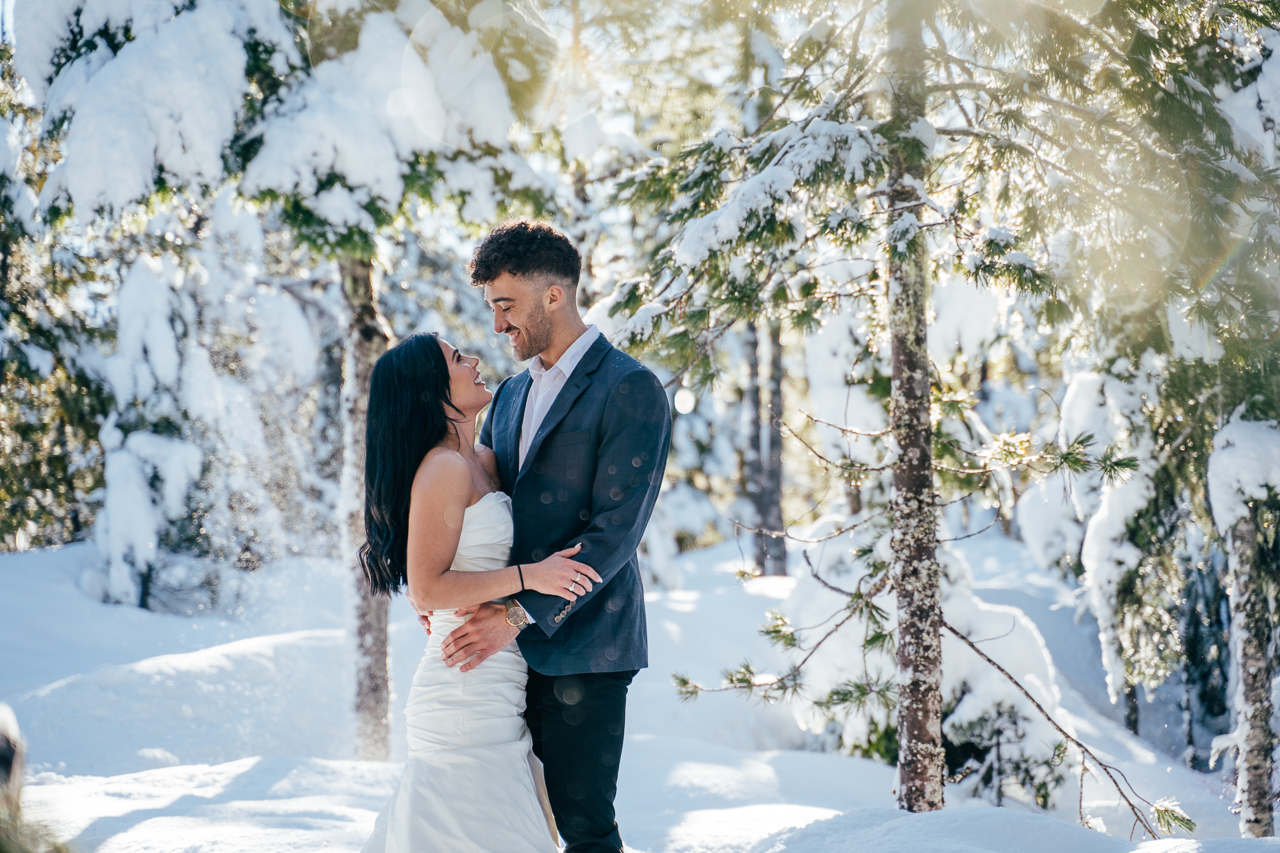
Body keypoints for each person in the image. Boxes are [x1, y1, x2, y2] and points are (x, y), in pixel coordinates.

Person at [430, 219, 672, 852]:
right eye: (491, 309)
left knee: (582, 823)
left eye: (506, 306)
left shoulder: (630, 388)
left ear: (554, 296)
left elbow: (614, 535)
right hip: (499, 658)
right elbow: (482, 502)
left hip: (586, 647)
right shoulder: (507, 395)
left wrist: (513, 613)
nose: (497, 326)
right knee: (514, 819)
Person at [358, 330, 601, 853]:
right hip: (463, 689)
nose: (472, 359)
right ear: (431, 389)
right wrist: (529, 578)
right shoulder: (442, 468)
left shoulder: (485, 461)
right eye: (455, 358)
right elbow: (426, 586)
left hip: (501, 682)